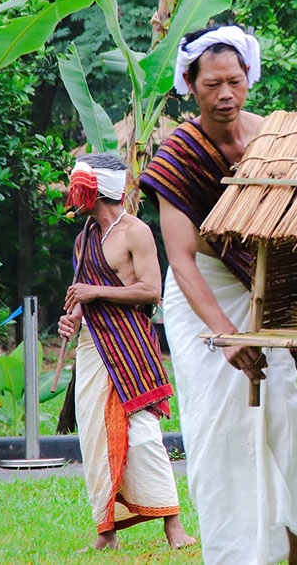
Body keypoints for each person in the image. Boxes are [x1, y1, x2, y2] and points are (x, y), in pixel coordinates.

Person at [138, 25, 297, 565]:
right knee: (220, 428)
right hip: (202, 299)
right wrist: (225, 334)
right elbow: (181, 260)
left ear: (249, 78)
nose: (224, 95)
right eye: (212, 84)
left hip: (261, 293)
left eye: (234, 81)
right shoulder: (178, 154)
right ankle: (235, 556)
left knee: (284, 416)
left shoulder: (274, 139)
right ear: (189, 84)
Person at [56, 153, 195, 552]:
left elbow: (151, 290)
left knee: (143, 435)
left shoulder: (137, 231)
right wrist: (72, 318)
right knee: (95, 438)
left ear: (96, 190)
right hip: (93, 347)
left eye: (77, 188)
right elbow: (83, 297)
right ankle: (107, 533)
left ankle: (174, 527)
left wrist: (94, 292)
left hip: (129, 345)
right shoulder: (83, 239)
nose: (71, 197)